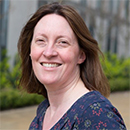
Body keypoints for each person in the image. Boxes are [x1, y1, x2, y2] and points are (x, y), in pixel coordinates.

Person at [17, 2, 126, 130]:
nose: (48, 52)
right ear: (30, 50)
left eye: (62, 42)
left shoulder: (97, 116)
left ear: (81, 55)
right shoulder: (44, 112)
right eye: (41, 41)